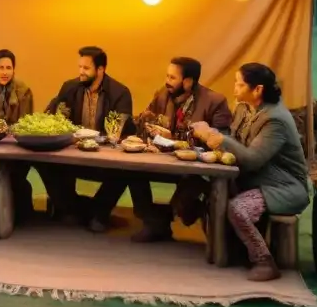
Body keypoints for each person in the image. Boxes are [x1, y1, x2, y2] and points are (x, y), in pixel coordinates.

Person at [190, 63, 310, 282]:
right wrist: (213, 133)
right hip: (256, 178)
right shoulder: (244, 107)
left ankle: (264, 261)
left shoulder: (276, 119)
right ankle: (231, 251)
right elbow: (236, 139)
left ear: (258, 90)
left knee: (239, 208)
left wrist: (218, 138)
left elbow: (253, 160)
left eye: (240, 84)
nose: (235, 88)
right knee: (204, 189)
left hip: (283, 186)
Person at [91, 57, 233, 239]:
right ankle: (150, 219)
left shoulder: (215, 102)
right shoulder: (163, 94)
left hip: (195, 167)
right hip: (163, 160)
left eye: (173, 78)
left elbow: (220, 142)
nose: (167, 82)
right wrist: (144, 123)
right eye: (167, 76)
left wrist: (173, 139)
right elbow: (144, 124)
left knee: (193, 185)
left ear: (188, 81)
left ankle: (163, 220)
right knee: (131, 168)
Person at [37, 46, 134, 226]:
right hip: (73, 151)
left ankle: (98, 213)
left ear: (100, 69)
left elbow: (118, 132)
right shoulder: (69, 87)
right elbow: (59, 121)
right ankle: (72, 209)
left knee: (127, 169)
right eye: (79, 67)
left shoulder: (120, 93)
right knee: (43, 161)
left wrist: (97, 139)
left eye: (86, 68)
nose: (81, 72)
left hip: (105, 154)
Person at [0, 49, 36, 221]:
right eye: (0, 67)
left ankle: (21, 216)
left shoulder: (23, 90)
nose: (4, 72)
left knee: (15, 177)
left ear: (14, 69)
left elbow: (25, 123)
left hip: (16, 146)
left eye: (8, 67)